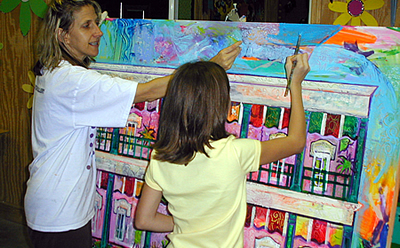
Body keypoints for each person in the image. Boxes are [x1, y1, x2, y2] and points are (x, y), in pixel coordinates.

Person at [24, 0, 242, 247]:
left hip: (54, 204)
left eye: (97, 22)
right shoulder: (71, 81)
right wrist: (209, 68)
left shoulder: (57, 72)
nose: (98, 31)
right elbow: (145, 92)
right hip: (58, 213)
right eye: (87, 25)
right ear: (62, 35)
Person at [134, 54, 310, 247]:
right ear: (222, 106)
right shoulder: (235, 152)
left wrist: (190, 224)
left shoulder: (160, 158)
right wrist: (295, 84)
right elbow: (296, 142)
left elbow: (144, 220)